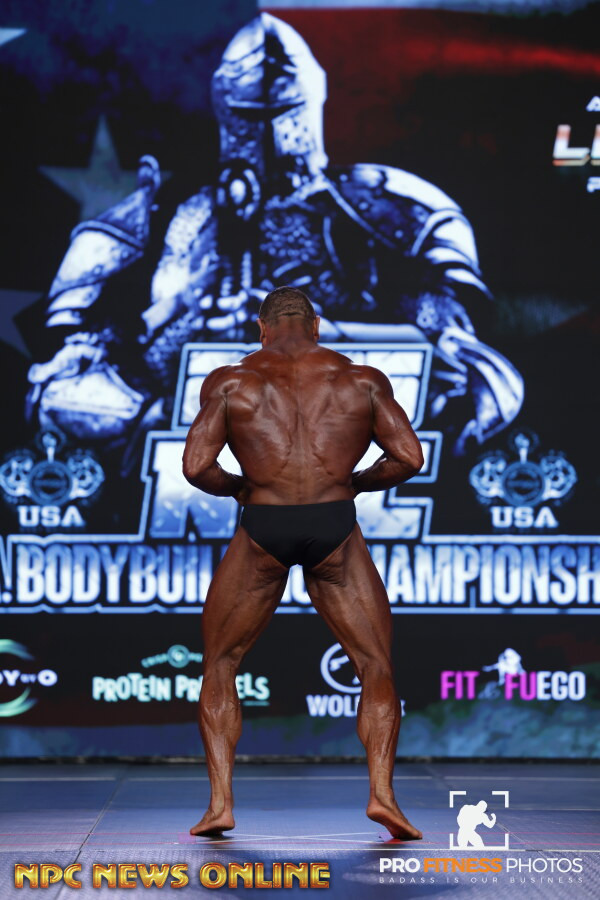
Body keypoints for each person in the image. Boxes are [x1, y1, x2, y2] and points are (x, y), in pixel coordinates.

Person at [182, 285, 424, 840]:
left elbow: (196, 467)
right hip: (333, 524)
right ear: (317, 326)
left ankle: (220, 806)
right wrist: (353, 483)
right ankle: (383, 796)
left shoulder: (230, 382)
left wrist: (242, 488)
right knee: (375, 665)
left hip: (263, 526)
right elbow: (409, 457)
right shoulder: (362, 380)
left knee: (222, 663)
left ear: (261, 327)